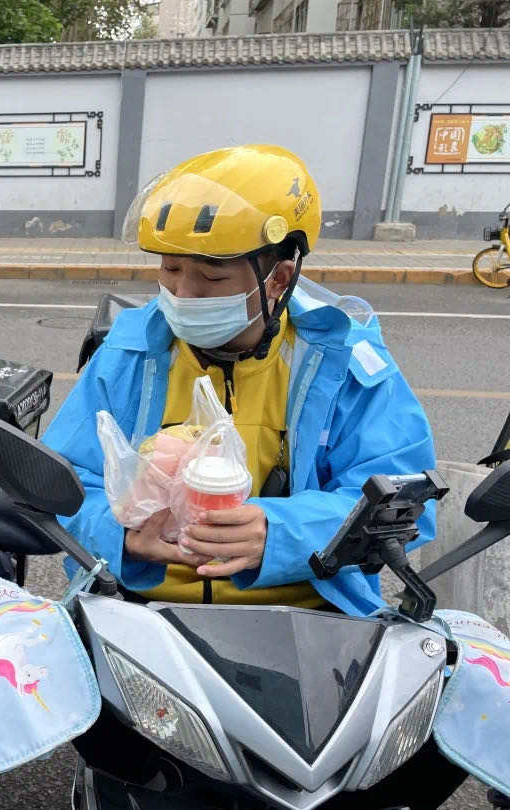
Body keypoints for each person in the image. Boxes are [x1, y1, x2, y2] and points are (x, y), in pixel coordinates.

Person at [43, 144, 437, 616]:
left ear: (277, 279)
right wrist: (120, 534)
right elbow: (62, 483)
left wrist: (278, 533)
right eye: (170, 270)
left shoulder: (348, 364)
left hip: (309, 618)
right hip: (136, 611)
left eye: (210, 277)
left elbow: (404, 502)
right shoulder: (129, 356)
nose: (182, 294)